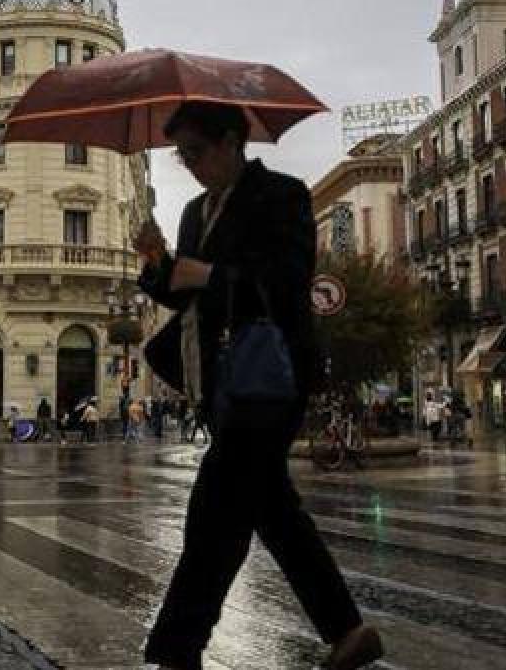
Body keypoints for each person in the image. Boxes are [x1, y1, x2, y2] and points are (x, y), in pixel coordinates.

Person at [136, 102, 381, 670]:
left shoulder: (283, 195)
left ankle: (176, 649)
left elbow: (288, 282)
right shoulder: (195, 212)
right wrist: (156, 261)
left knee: (214, 511)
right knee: (272, 510)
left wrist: (211, 275)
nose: (191, 165)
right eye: (183, 157)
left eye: (196, 152)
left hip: (269, 376)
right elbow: (183, 294)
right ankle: (347, 630)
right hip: (220, 379)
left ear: (230, 142)